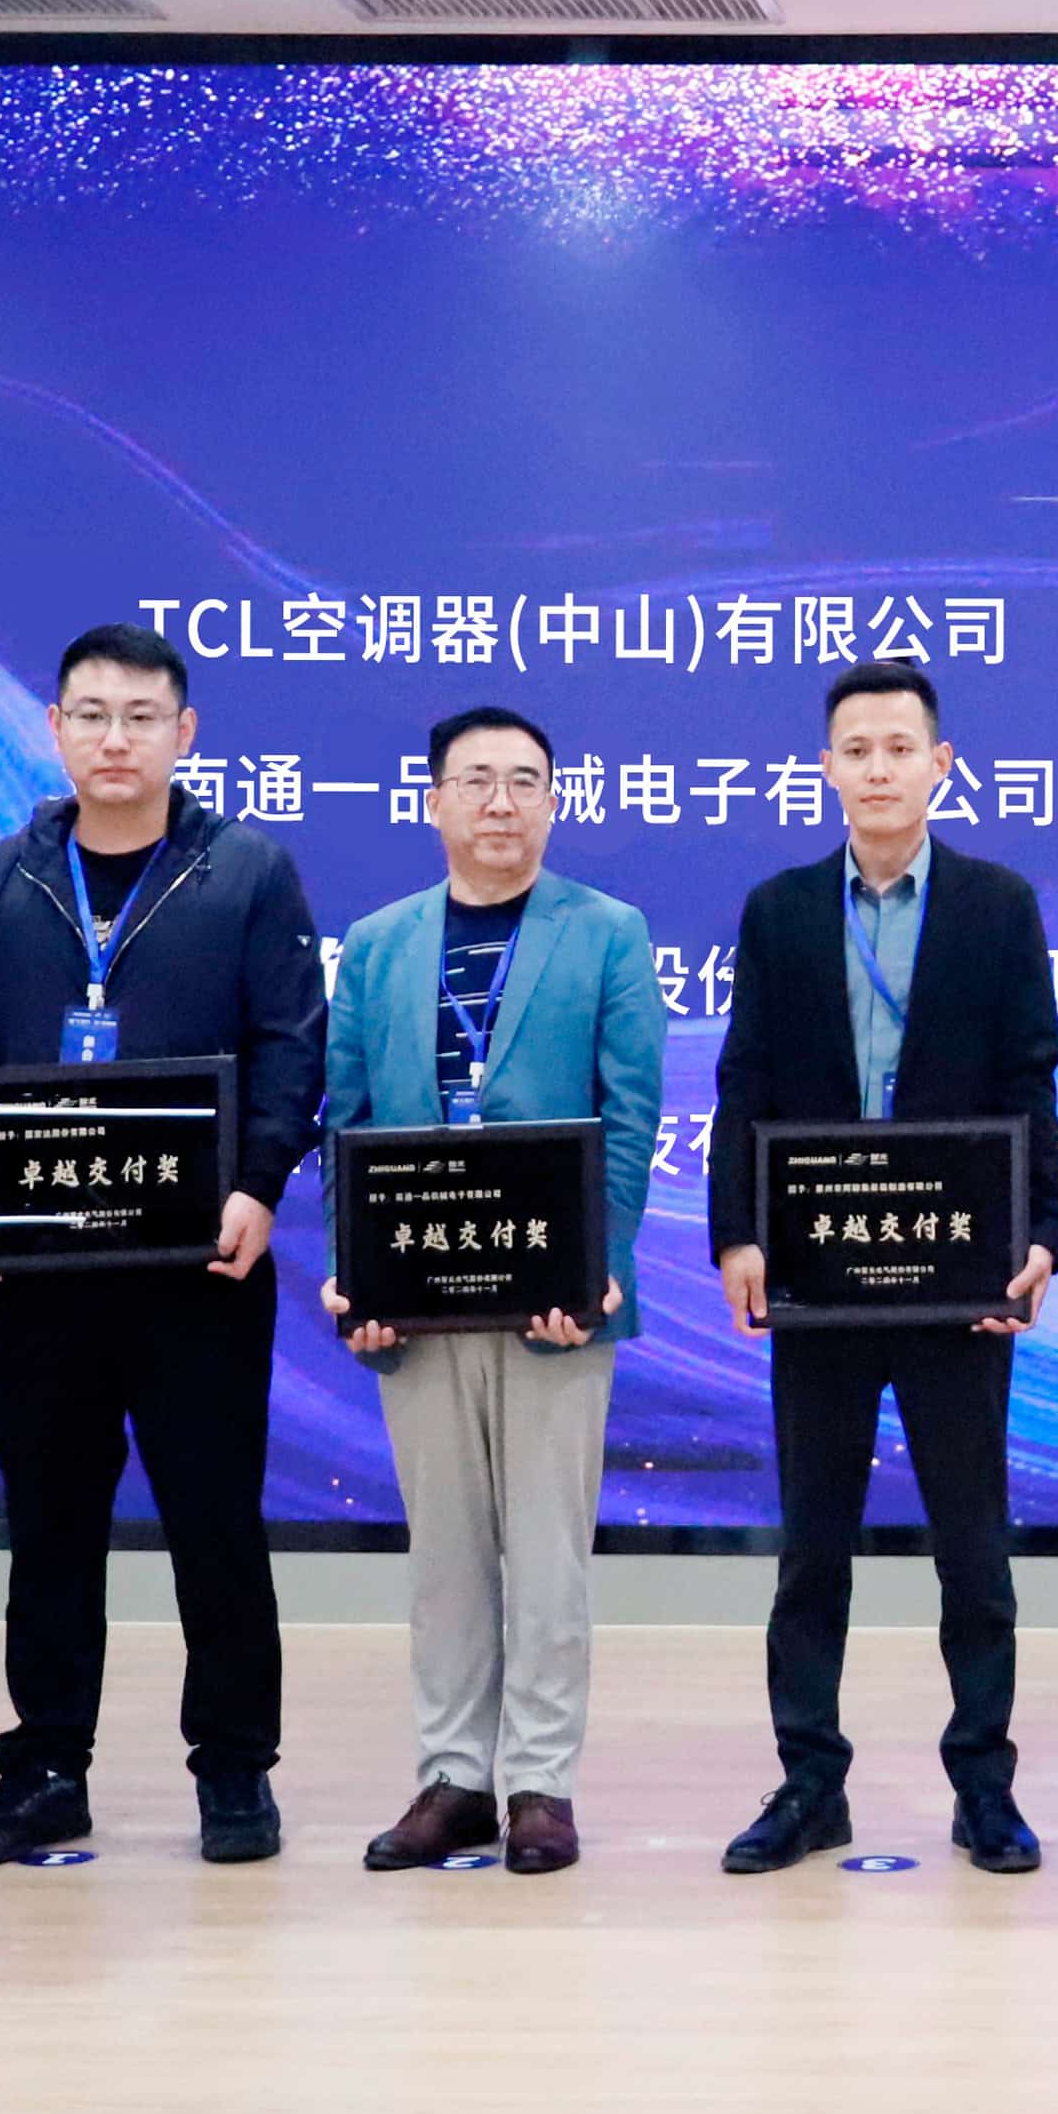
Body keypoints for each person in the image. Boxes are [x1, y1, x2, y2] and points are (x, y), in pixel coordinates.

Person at [0, 622, 329, 1868]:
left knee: (215, 1521)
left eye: (141, 716)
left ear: (182, 733)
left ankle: (235, 1769)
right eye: (91, 713)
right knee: (49, 1525)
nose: (115, 738)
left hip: (200, 1268)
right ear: (54, 728)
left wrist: (259, 1181)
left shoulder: (245, 871)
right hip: (42, 1272)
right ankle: (46, 1766)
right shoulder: (1, 881)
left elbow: (291, 1041)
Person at [708, 661, 1058, 1877]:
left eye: (899, 747)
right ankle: (809, 1781)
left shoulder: (996, 904)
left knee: (973, 1547)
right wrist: (736, 1234)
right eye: (855, 749)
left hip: (955, 1273)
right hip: (817, 1275)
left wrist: (1040, 1232)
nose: (877, 768)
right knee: (812, 1546)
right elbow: (744, 1080)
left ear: (939, 764)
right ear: (826, 768)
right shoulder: (777, 909)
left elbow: (1029, 1079)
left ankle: (984, 1785)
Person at [320, 704, 660, 1876]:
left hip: (554, 1301)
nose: (500, 801)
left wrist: (595, 1266)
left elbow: (629, 1118)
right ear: (434, 800)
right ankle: (454, 1775)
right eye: (475, 779)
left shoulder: (606, 932)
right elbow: (348, 1121)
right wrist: (359, 1276)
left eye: (524, 779)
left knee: (549, 1550)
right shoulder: (378, 946)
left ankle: (539, 1783)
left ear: (553, 801)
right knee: (446, 1552)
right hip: (414, 1299)